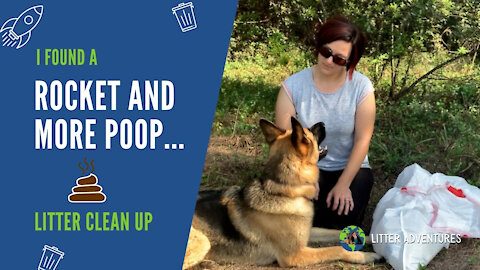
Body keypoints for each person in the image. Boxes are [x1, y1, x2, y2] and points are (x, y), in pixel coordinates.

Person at [275, 15, 375, 230]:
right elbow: (286, 141)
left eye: (339, 59)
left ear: (351, 61)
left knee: (341, 224)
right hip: (305, 167)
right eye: (326, 52)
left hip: (350, 169)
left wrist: (344, 184)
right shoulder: (292, 86)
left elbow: (362, 140)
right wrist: (305, 176)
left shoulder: (361, 87)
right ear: (319, 46)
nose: (329, 61)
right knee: (300, 223)